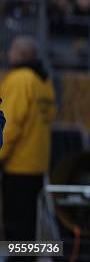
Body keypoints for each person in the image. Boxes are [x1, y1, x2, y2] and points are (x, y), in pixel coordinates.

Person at [0, 36, 56, 241]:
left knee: (16, 229)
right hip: (38, 164)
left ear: (21, 54)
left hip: (18, 165)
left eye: (12, 50)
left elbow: (9, 124)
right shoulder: (44, 81)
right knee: (29, 229)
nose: (8, 54)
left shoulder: (19, 79)